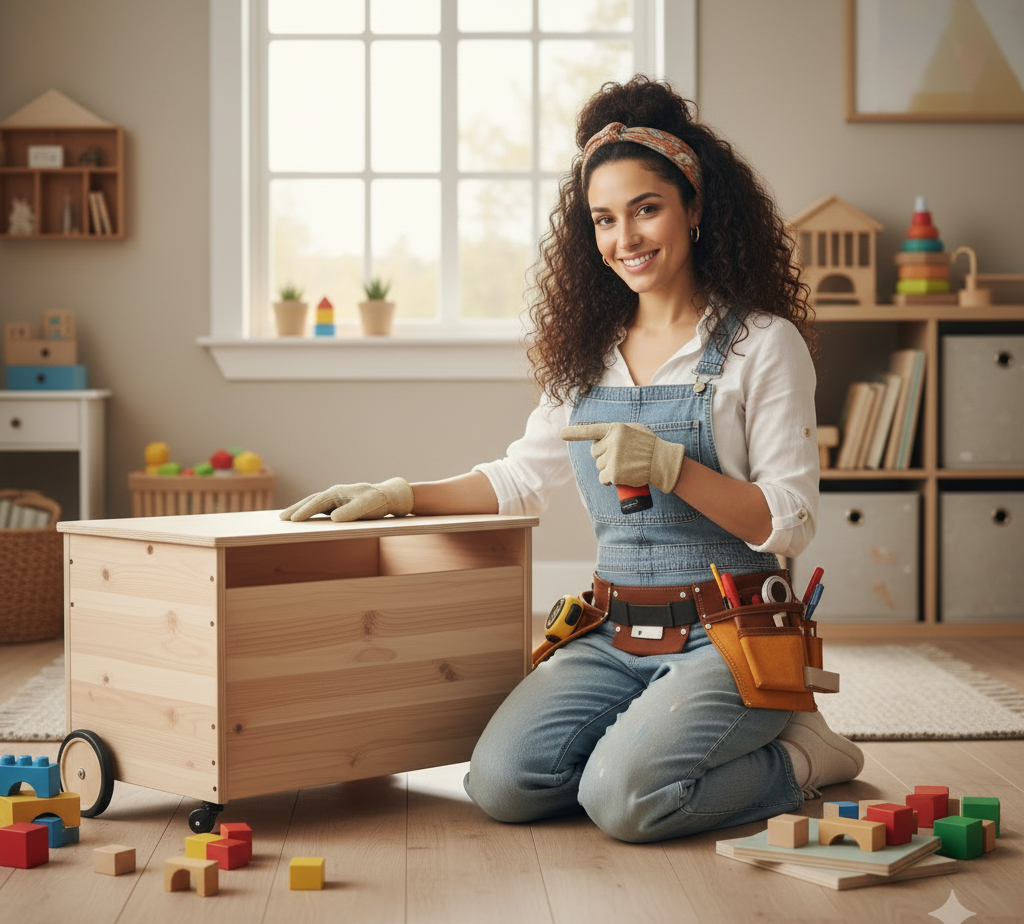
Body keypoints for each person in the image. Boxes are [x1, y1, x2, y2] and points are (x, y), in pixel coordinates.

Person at [280, 75, 863, 843]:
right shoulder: (588, 356)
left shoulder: (763, 344)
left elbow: (789, 521)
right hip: (613, 630)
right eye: (604, 219)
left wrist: (674, 468)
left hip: (730, 634)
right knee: (501, 784)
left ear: (695, 208)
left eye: (646, 209)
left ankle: (804, 755)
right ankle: (641, 750)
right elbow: (521, 480)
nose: (626, 239)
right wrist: (401, 493)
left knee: (625, 803)